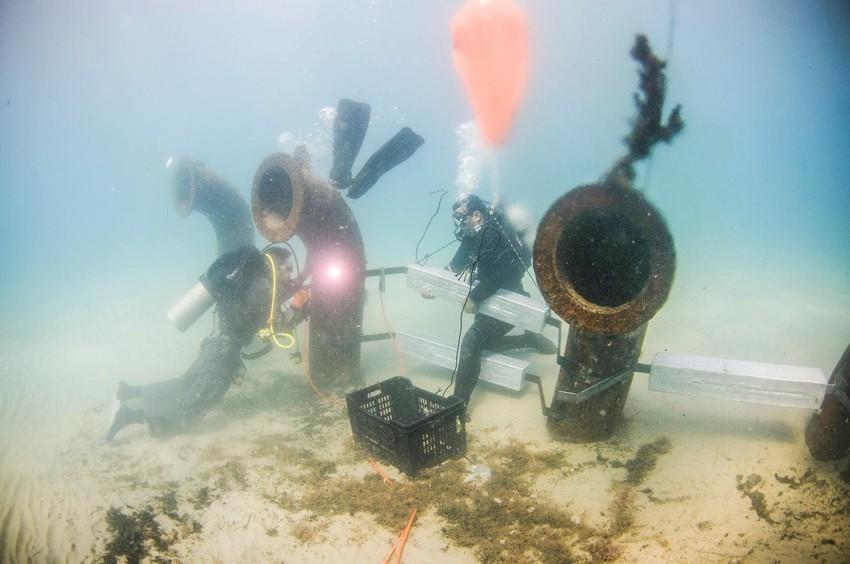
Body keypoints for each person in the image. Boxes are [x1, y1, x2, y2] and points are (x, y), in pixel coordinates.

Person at [105, 245, 309, 443]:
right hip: (224, 351)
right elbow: (276, 326)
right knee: (192, 404)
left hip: (216, 341)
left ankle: (129, 391)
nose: (290, 274)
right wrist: (298, 306)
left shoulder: (253, 281)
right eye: (288, 269)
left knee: (185, 384)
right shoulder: (261, 287)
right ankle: (126, 414)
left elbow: (258, 310)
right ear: (275, 265)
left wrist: (294, 289)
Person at [422, 194, 556, 408]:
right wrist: (432, 288)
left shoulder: (492, 234)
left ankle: (458, 402)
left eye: (460, 217)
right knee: (488, 344)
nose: (458, 223)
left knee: (472, 341)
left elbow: (504, 274)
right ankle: (528, 340)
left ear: (476, 216)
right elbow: (453, 268)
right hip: (489, 297)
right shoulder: (471, 237)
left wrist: (474, 297)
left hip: (512, 299)